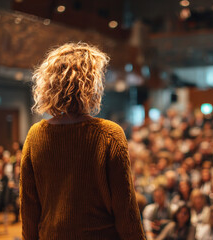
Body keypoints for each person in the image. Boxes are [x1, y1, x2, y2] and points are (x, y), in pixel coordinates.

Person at [20, 42, 145, 239]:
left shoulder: (35, 135)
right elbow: (125, 210)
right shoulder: (110, 134)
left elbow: (29, 210)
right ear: (91, 84)